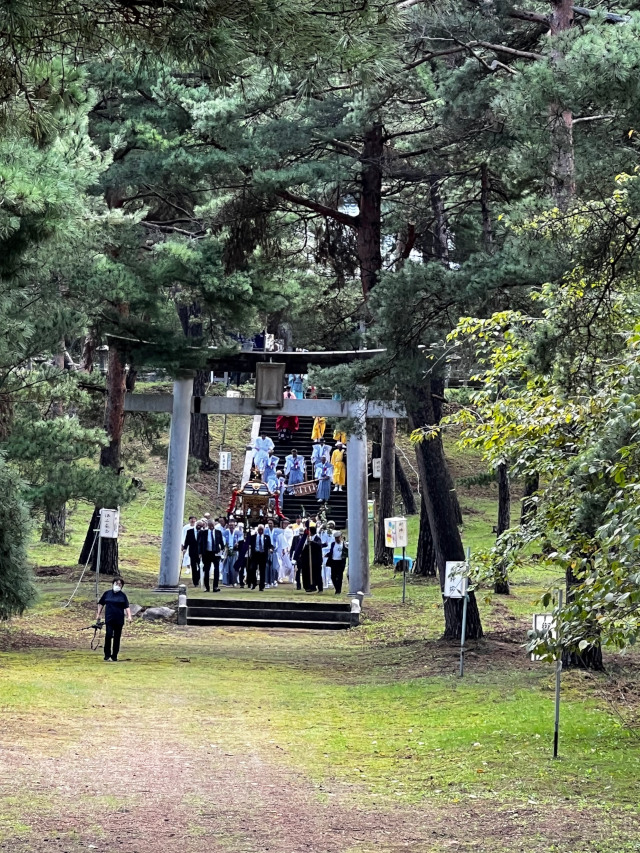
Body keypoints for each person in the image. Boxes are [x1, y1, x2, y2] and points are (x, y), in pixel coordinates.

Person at [97, 576, 132, 662]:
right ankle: (107, 655)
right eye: (117, 583)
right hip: (109, 619)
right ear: (113, 584)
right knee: (108, 635)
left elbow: (126, 606)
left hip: (119, 620)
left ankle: (114, 655)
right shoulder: (107, 594)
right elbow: (101, 603)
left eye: (120, 584)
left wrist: (129, 616)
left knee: (117, 637)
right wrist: (98, 614)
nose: (118, 585)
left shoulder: (123, 596)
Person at [198, 520, 224, 592]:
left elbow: (221, 542)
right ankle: (207, 587)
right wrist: (200, 553)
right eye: (210, 525)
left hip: (216, 553)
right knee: (206, 570)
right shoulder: (203, 533)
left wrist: (222, 551)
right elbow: (200, 543)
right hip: (207, 553)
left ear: (214, 525)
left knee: (216, 570)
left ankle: (215, 587)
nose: (211, 527)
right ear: (207, 525)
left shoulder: (218, 532)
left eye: (212, 525)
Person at [248, 524, 272, 590]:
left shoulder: (267, 537)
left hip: (263, 555)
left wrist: (271, 548)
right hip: (255, 554)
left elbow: (270, 545)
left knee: (262, 571)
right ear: (257, 530)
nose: (261, 531)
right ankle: (254, 582)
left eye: (262, 530)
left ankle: (261, 586)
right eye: (259, 529)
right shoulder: (253, 537)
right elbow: (249, 544)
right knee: (252, 568)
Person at [181, 516, 200, 587]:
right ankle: (195, 581)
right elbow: (186, 540)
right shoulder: (188, 530)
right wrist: (184, 547)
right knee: (194, 566)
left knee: (201, 566)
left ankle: (198, 576)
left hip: (200, 552)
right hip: (192, 551)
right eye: (191, 520)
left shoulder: (201, 531)